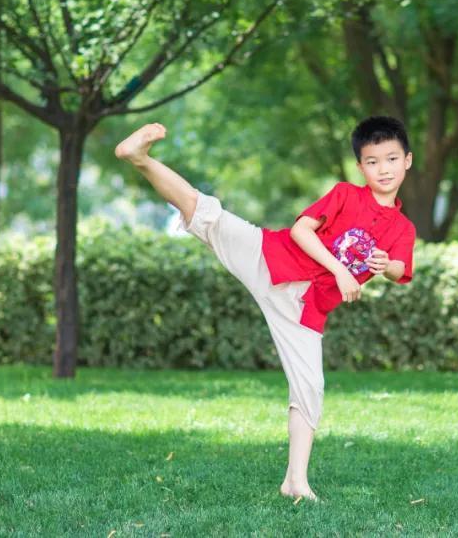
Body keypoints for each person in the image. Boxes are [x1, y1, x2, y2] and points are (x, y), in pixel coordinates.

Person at [114, 115, 417, 501]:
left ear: (407, 160)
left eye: (391, 159)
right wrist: (341, 270)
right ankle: (139, 158)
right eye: (373, 162)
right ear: (361, 167)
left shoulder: (403, 229)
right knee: (207, 214)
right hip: (273, 258)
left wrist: (384, 264)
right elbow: (300, 230)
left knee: (310, 388)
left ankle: (295, 481)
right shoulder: (345, 193)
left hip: (305, 310)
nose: (383, 169)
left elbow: (399, 269)